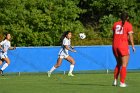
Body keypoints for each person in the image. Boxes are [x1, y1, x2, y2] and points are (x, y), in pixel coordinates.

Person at [112, 12, 135, 87]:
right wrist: (133, 46)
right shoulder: (128, 25)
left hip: (115, 45)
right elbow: (130, 37)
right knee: (124, 65)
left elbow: (114, 34)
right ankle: (122, 83)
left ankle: (115, 81)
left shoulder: (115, 24)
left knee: (118, 63)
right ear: (127, 18)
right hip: (123, 45)